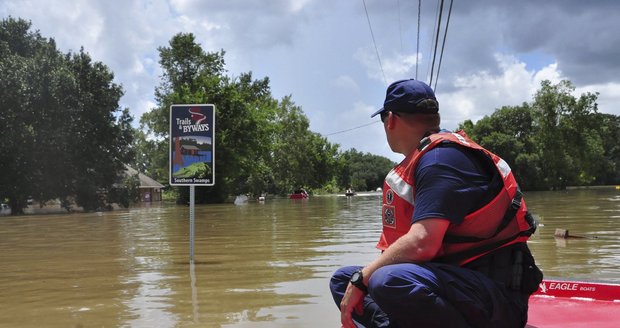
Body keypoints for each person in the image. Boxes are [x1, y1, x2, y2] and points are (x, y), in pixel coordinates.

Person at [329, 79, 542, 328]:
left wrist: (362, 279)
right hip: (461, 287)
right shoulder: (430, 158)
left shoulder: (440, 160)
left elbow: (423, 244)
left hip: (496, 299)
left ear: (391, 120)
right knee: (344, 280)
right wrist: (357, 280)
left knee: (385, 279)